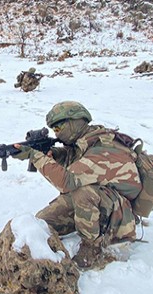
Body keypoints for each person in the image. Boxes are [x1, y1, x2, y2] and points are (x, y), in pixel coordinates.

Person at [12, 101, 142, 269]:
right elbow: (72, 156)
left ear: (74, 122)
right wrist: (52, 154)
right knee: (41, 225)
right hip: (99, 202)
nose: (56, 135)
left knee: (83, 192)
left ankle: (92, 247)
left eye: (58, 129)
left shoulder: (103, 147)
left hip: (119, 213)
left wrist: (36, 157)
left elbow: (67, 182)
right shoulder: (85, 141)